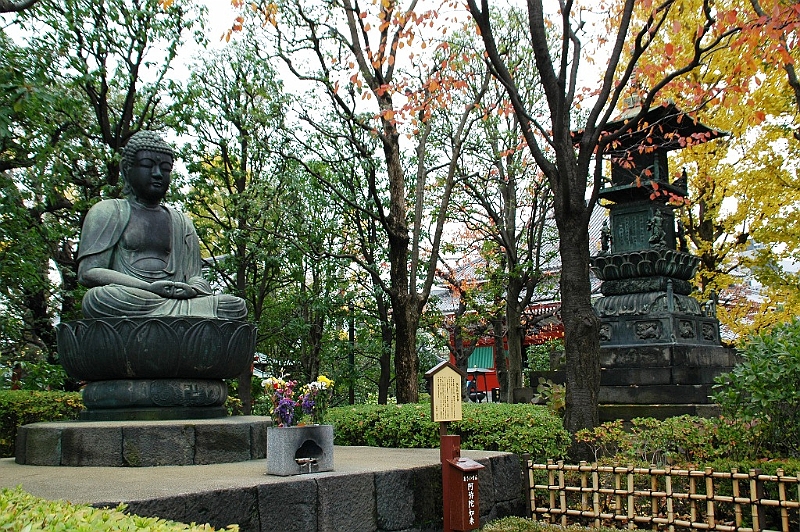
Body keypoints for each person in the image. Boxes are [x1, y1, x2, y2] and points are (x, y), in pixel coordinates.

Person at [76, 131, 247, 320]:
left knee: (234, 306)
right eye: (148, 165)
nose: (157, 174)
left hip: (179, 302)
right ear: (126, 169)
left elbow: (196, 277)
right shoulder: (108, 211)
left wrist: (190, 289)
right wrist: (148, 288)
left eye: (165, 168)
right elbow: (89, 272)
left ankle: (173, 322)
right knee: (99, 298)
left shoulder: (181, 222)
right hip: (133, 297)